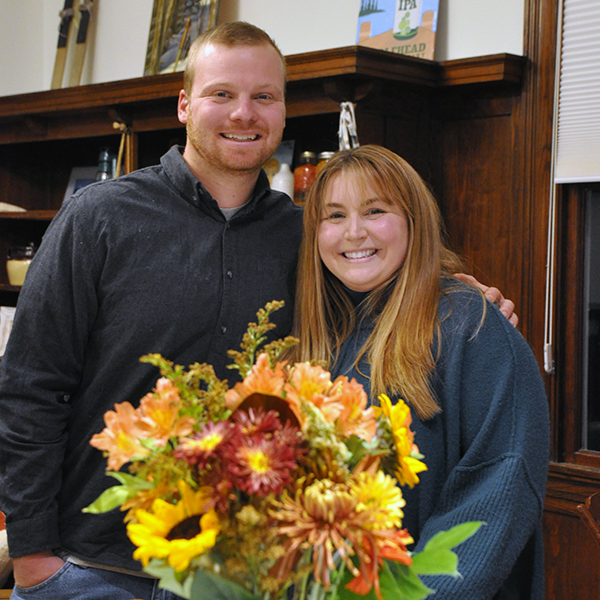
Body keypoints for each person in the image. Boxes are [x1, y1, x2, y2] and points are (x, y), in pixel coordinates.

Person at [0, 22, 517, 600]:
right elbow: (30, 389)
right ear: (184, 105)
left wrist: (462, 296)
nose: (243, 113)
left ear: (282, 111)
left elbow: (382, 277)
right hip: (92, 571)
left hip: (245, 577)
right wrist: (33, 558)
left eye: (263, 97)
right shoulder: (99, 218)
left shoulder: (306, 236)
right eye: (222, 94)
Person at [287, 145, 549, 600]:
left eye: (375, 210)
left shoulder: (470, 324)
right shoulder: (317, 339)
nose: (354, 232)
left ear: (413, 220)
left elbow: (498, 489)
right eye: (334, 216)